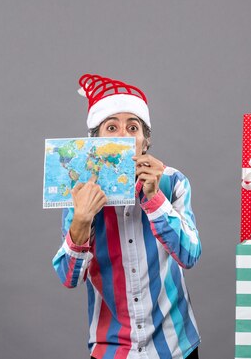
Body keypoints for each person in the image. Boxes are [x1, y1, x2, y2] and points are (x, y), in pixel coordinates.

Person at [52, 74, 201, 359]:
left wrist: (155, 197)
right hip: (112, 350)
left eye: (133, 127)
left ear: (144, 142)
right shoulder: (79, 193)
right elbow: (69, 278)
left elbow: (190, 255)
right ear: (94, 142)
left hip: (175, 346)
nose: (122, 134)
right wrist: (82, 220)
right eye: (111, 127)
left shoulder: (174, 182)